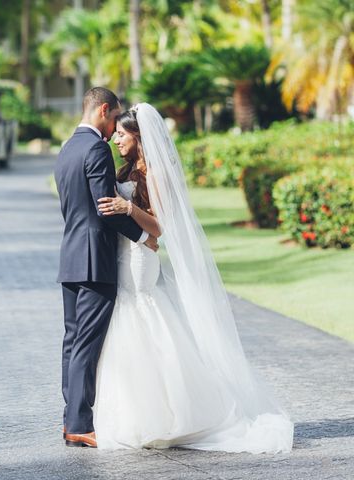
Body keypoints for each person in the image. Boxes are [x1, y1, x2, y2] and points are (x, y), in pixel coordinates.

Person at [93, 103, 294, 453]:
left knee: (142, 313)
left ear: (139, 138)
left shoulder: (155, 174)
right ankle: (136, 408)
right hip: (124, 253)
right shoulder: (125, 171)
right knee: (127, 321)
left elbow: (159, 228)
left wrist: (129, 208)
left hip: (141, 258)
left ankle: (168, 413)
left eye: (122, 135)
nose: (116, 140)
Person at [54, 88, 159, 448]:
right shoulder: (96, 148)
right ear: (103, 110)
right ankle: (80, 424)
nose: (115, 127)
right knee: (86, 342)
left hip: (70, 258)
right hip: (95, 260)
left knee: (72, 341)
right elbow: (105, 207)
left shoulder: (68, 148)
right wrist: (144, 238)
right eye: (114, 117)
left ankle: (71, 419)